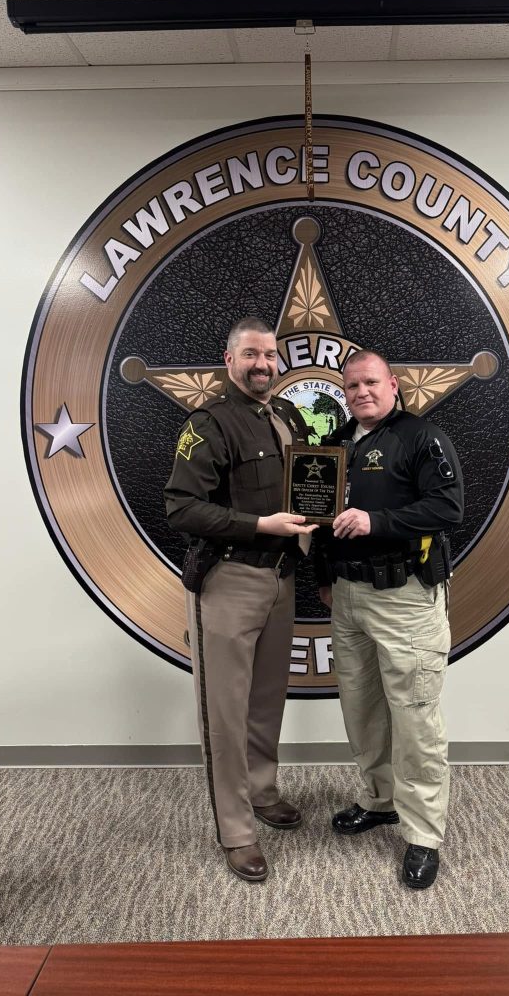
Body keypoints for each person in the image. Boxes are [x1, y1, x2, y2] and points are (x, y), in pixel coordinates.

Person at [164, 317, 316, 883]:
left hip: (281, 578)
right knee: (225, 713)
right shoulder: (208, 424)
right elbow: (181, 507)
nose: (262, 365)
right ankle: (236, 830)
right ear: (229, 360)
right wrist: (259, 524)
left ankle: (262, 791)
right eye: (251, 354)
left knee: (266, 699)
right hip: (230, 579)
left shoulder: (288, 416)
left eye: (269, 355)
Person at [316, 349, 464, 889]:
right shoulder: (335, 444)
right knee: (361, 708)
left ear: (393, 385)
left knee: (415, 716)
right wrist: (324, 578)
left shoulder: (421, 438)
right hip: (348, 596)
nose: (362, 392)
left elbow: (448, 508)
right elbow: (319, 517)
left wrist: (376, 521)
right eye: (352, 386)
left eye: (371, 383)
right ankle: (380, 800)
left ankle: (423, 834)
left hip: (404, 598)